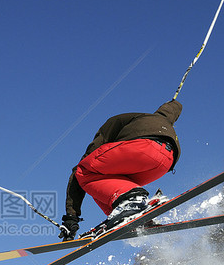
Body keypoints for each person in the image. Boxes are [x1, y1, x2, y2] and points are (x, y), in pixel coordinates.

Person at [60, 99, 182, 241]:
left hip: (142, 148)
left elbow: (83, 166)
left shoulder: (131, 119)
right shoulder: (170, 129)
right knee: (102, 185)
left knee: (84, 171)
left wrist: (71, 217)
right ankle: (132, 213)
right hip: (164, 163)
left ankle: (132, 202)